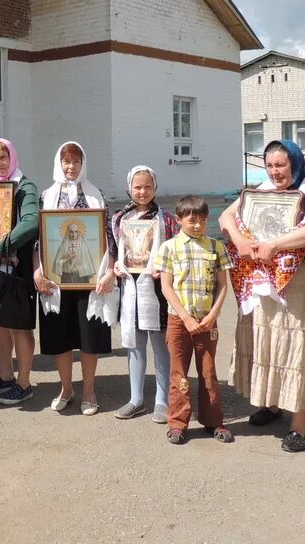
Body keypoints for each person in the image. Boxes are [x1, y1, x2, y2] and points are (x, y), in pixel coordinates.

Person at [220, 139, 305, 453]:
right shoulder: (259, 191)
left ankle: (300, 425)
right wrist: (239, 240)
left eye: (281, 164)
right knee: (266, 342)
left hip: (299, 278)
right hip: (262, 278)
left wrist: (276, 244)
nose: (275, 171)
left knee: (296, 346)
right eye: (270, 165)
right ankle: (272, 404)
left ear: (294, 162)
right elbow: (227, 217)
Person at [33, 142, 112, 416]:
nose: (71, 167)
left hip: (89, 279)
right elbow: (39, 240)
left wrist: (110, 269)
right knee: (61, 336)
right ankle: (66, 387)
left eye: (76, 162)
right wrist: (37, 271)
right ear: (59, 163)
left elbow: (107, 237)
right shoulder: (47, 195)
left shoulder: (95, 195)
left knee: (88, 336)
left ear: (83, 164)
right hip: (57, 279)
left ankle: (89, 389)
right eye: (66, 162)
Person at [103, 166, 180, 423]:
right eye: (138, 187)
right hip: (130, 288)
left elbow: (175, 251)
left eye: (147, 186)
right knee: (134, 345)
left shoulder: (167, 219)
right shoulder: (119, 218)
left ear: (155, 188)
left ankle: (162, 399)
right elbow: (113, 250)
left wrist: (165, 268)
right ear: (129, 188)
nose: (143, 191)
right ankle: (135, 399)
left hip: (157, 289)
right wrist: (114, 266)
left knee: (160, 345)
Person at [157, 195, 234, 445]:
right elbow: (166, 287)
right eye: (191, 220)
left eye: (202, 219)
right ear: (178, 220)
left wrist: (212, 315)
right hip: (179, 321)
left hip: (207, 321)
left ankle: (214, 421)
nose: (197, 224)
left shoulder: (216, 247)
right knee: (179, 373)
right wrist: (186, 317)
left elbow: (223, 286)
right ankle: (178, 423)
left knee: (209, 372)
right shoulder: (169, 247)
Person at [0, 138, 40, 406]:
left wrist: (3, 246)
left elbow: (31, 222)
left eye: (3, 158)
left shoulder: (24, 186)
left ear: (12, 157)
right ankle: (5, 377)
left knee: (19, 326)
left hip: (18, 268)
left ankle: (24, 383)